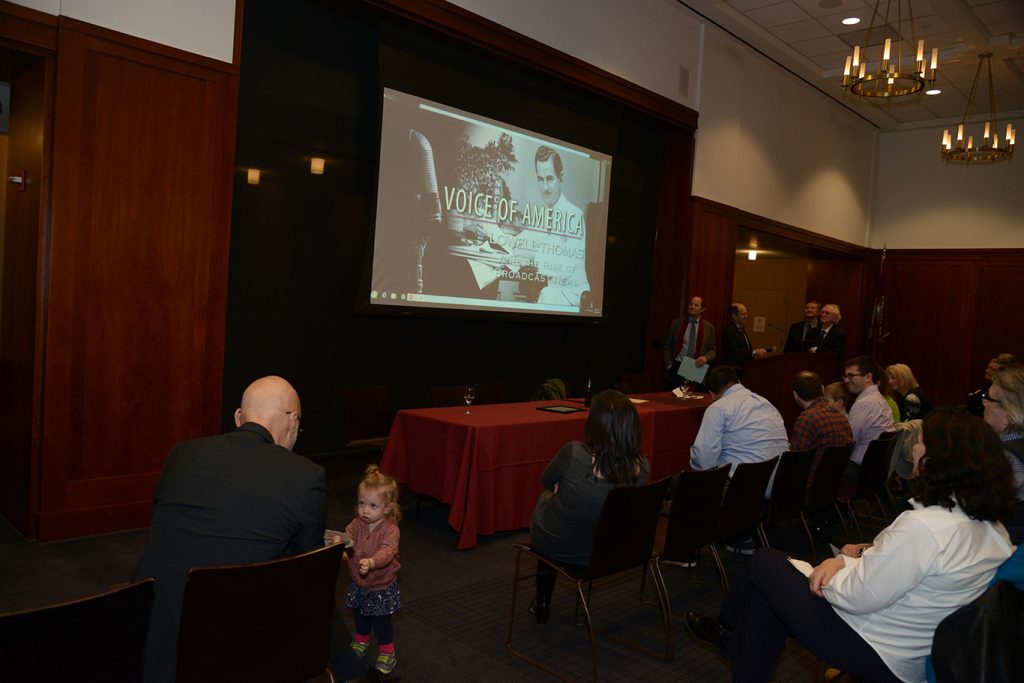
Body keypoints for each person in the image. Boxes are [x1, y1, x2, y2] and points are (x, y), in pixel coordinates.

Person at [686, 408, 1016, 683]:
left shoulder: (926, 527)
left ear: (934, 458)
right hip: (916, 648)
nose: (913, 448)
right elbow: (914, 568)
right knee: (767, 599)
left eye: (919, 442)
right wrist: (851, 559)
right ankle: (729, 637)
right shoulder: (992, 528)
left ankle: (726, 629)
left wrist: (828, 568)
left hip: (871, 645)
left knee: (764, 561)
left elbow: (856, 598)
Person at [132, 376, 371, 683]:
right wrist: (325, 557)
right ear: (293, 421)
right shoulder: (304, 476)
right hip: (236, 642)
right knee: (314, 583)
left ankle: (357, 674)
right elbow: (306, 574)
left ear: (238, 417)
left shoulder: (181, 454)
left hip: (146, 631)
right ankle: (357, 675)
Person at [528, 389, 649, 623]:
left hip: (563, 543)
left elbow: (547, 481)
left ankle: (543, 598)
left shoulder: (574, 452)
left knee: (548, 498)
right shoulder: (642, 467)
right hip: (607, 549)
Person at [345, 465, 402, 676]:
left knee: (382, 622)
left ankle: (387, 651)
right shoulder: (357, 523)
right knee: (359, 614)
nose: (365, 510)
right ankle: (361, 640)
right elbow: (347, 535)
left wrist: (371, 562)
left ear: (387, 508)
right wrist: (339, 542)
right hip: (359, 583)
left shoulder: (390, 530)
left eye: (372, 505)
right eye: (361, 503)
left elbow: (388, 552)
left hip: (381, 586)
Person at [690, 365, 789, 475]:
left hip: (742, 485)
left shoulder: (718, 408)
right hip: (779, 479)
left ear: (712, 394)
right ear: (738, 381)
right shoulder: (766, 403)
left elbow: (703, 461)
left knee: (678, 485)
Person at [528, 145, 590, 307]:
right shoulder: (542, 215)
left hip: (571, 295)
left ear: (560, 177)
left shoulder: (574, 215)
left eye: (550, 178)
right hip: (551, 290)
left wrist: (536, 258)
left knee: (546, 296)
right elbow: (525, 243)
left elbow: (567, 267)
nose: (545, 188)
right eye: (540, 179)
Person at [790, 371, 853, 495]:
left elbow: (795, 463)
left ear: (795, 394)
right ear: (822, 389)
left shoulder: (807, 418)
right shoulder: (841, 417)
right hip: (834, 487)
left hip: (808, 489)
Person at [983, 363, 1024, 544]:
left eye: (989, 399)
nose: (984, 402)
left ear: (1008, 413)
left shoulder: (1008, 455)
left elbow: (987, 507)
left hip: (1007, 546)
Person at [842, 356, 894, 483]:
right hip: (874, 468)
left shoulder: (865, 403)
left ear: (868, 377)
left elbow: (848, 441)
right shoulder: (879, 399)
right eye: (845, 376)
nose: (846, 380)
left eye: (851, 376)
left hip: (858, 470)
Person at [662, 295, 717, 387]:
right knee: (674, 397)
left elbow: (713, 349)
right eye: (690, 304)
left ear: (702, 309)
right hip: (677, 365)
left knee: (693, 397)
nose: (692, 307)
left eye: (696, 305)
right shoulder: (676, 323)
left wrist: (705, 358)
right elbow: (667, 345)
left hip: (696, 366)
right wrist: (669, 365)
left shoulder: (709, 327)